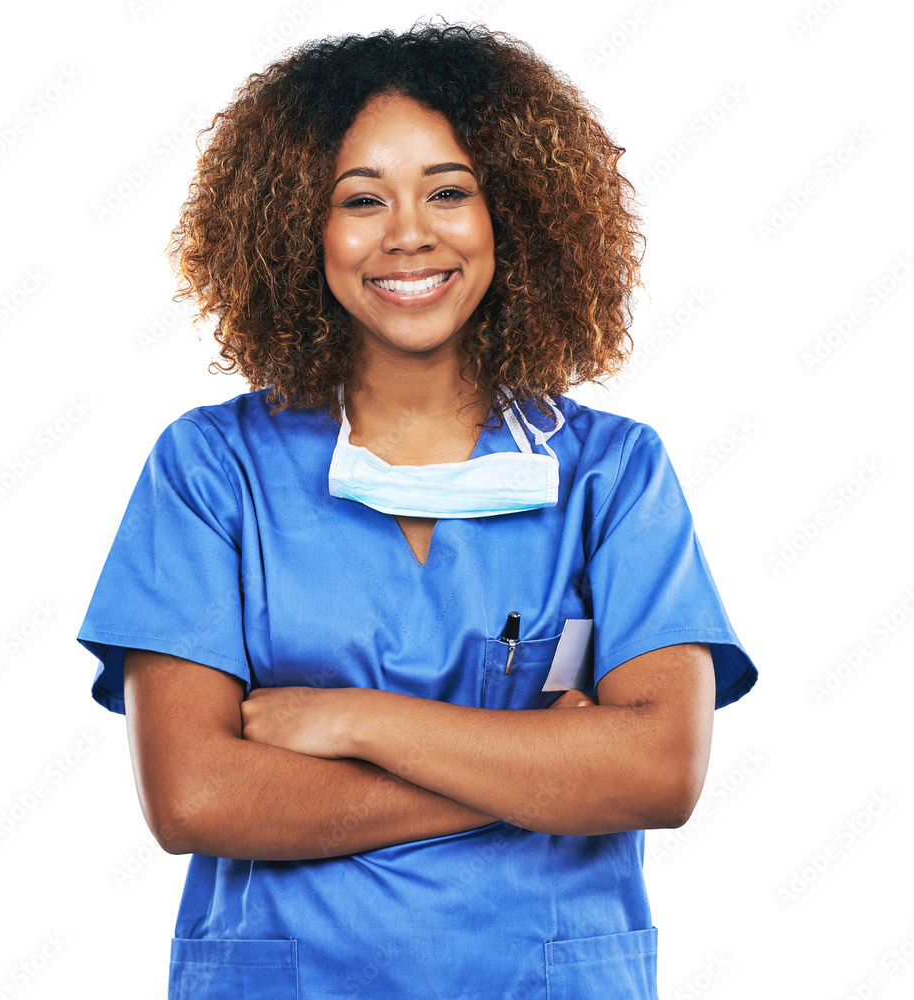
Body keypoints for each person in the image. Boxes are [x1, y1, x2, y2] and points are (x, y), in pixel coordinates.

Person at [76, 21, 758, 999]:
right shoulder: (212, 468)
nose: (408, 232)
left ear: (515, 217)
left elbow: (657, 772)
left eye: (449, 191)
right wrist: (540, 774)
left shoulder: (613, 474)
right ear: (296, 228)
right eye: (361, 199)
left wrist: (350, 718)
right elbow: (195, 795)